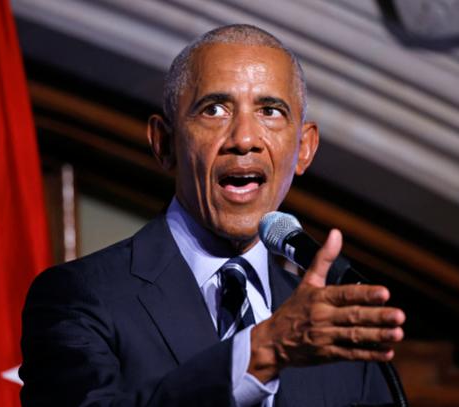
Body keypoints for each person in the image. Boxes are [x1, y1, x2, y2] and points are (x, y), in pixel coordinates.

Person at [20, 24, 406, 407]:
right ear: (165, 143)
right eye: (214, 110)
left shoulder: (335, 332)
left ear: (304, 148)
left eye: (270, 111)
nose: (244, 139)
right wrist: (264, 352)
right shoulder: (80, 297)